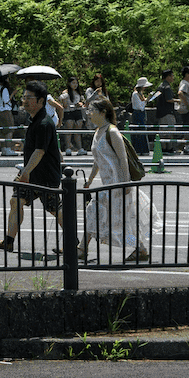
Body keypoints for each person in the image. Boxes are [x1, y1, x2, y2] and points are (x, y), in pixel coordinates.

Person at [0, 85, 64, 257]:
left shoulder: (45, 123)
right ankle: (8, 241)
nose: (24, 100)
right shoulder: (34, 121)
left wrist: (25, 172)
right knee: (16, 201)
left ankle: (73, 242)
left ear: (40, 101)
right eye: (24, 96)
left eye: (28, 97)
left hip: (45, 176)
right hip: (31, 175)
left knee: (55, 210)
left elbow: (40, 151)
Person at [80, 97, 152, 264]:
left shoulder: (112, 132)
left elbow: (123, 159)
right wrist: (90, 179)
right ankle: (140, 249)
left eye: (92, 110)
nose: (89, 114)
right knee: (100, 214)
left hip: (118, 185)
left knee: (119, 218)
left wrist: (125, 183)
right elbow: (98, 159)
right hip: (107, 185)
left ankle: (82, 249)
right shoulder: (98, 132)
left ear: (103, 113)